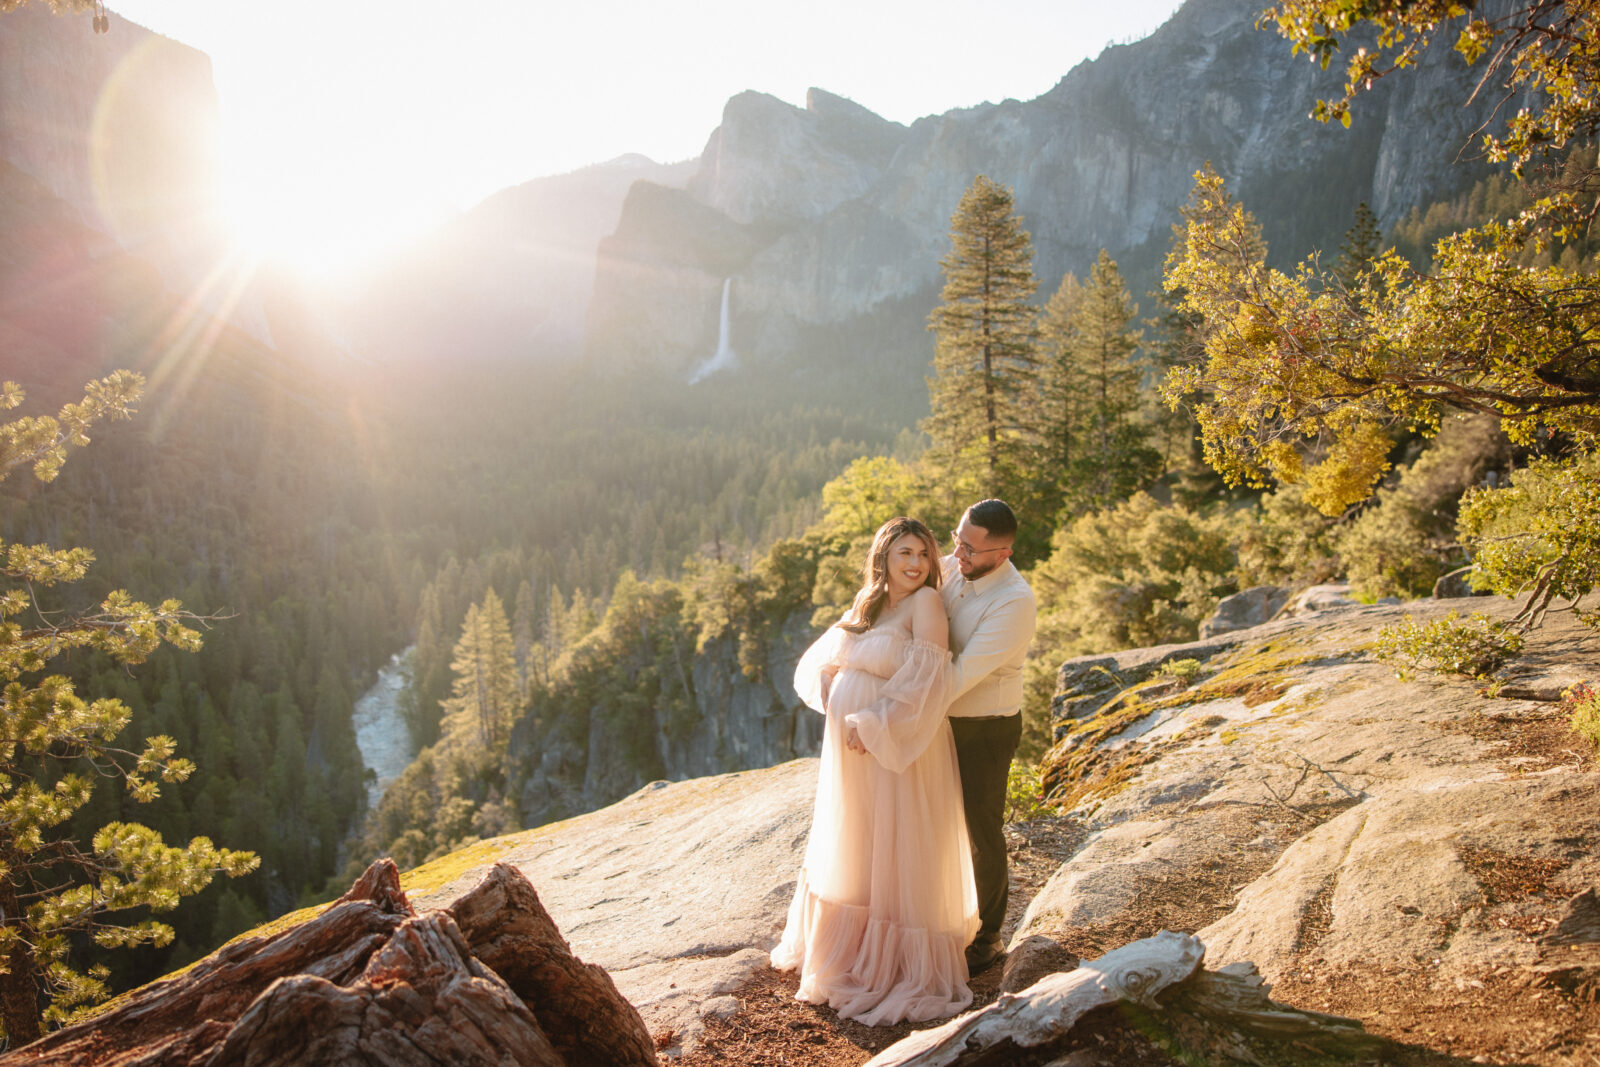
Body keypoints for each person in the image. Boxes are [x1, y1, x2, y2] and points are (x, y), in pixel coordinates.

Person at [771, 517, 979, 1026]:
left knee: (896, 841)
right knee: (860, 839)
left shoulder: (925, 603)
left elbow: (930, 677)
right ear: (883, 556)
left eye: (924, 555)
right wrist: (830, 683)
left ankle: (895, 963)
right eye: (905, 553)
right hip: (853, 751)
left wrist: (873, 720)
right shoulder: (868, 603)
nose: (915, 564)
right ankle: (852, 949)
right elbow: (824, 657)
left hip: (895, 745)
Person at [940, 499, 1036, 975]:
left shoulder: (1014, 603)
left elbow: (960, 676)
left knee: (980, 830)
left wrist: (892, 705)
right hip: (939, 720)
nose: (958, 554)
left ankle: (988, 937)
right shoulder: (952, 565)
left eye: (970, 549)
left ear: (1002, 554)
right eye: (957, 539)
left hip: (986, 728)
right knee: (934, 824)